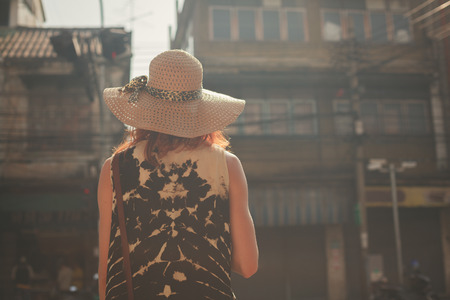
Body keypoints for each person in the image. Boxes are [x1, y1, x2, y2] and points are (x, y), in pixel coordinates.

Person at [98, 49, 258, 300]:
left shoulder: (114, 168)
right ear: (200, 109)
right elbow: (248, 266)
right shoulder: (227, 165)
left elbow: (109, 272)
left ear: (147, 108)